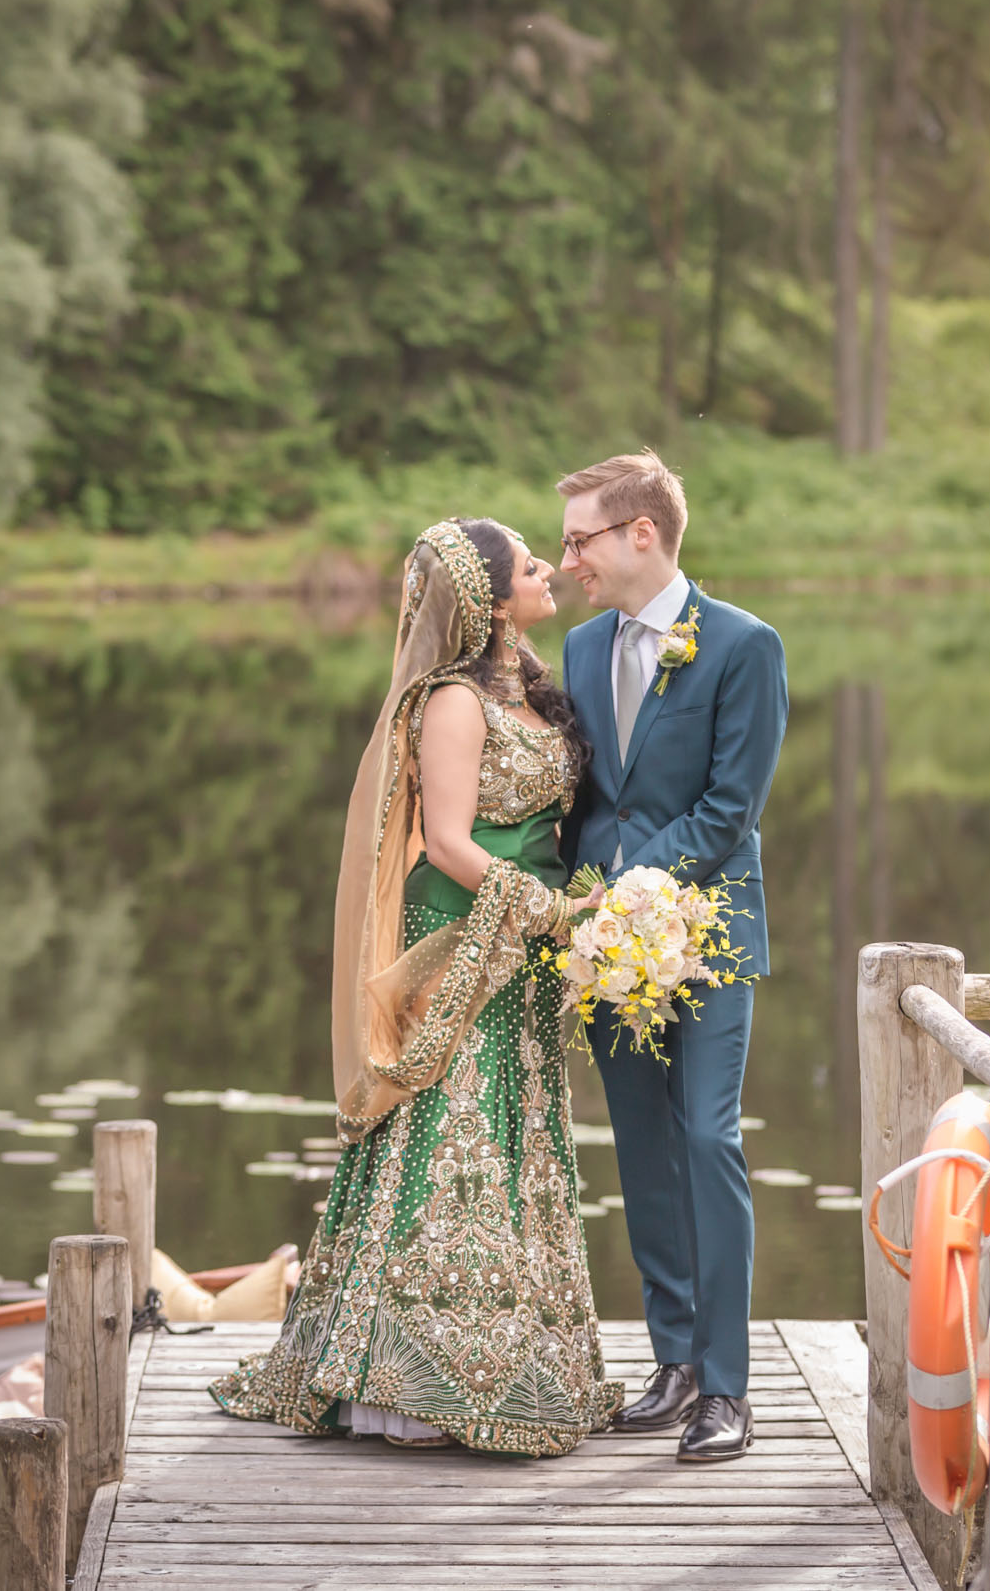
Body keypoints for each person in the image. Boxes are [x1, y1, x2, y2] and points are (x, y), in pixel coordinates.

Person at [210, 518, 622, 1455]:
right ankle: (404, 1380)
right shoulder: (451, 703)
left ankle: (516, 1356)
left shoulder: (534, 695)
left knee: (517, 1131)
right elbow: (446, 843)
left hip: (527, 941)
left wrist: (578, 905)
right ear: (485, 598)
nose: (549, 570)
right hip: (463, 937)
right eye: (527, 564)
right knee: (447, 1133)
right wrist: (545, 909)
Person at [556, 450, 789, 1463]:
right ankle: (675, 1360)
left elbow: (729, 808)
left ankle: (729, 1387)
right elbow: (583, 801)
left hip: (711, 933)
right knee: (644, 1152)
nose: (570, 560)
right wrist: (572, 908)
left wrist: (627, 886)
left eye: (581, 539)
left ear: (640, 532)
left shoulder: (742, 645)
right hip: (604, 947)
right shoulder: (574, 650)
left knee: (705, 1138)